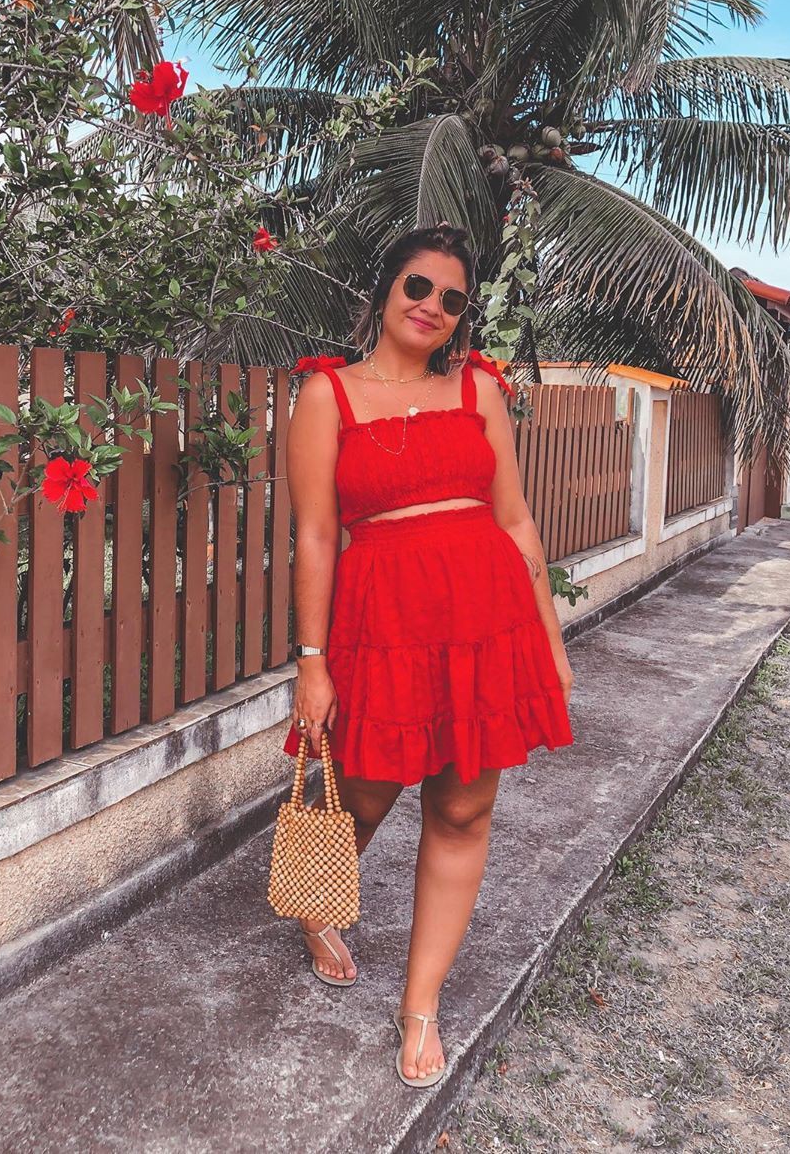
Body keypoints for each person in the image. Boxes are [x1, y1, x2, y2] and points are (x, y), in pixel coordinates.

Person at [281, 223, 575, 1087]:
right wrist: (311, 661)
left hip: (489, 632)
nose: (432, 308)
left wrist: (551, 648)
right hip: (384, 633)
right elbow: (314, 535)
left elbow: (517, 522)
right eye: (418, 287)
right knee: (362, 797)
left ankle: (421, 1007)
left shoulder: (478, 390)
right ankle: (315, 903)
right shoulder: (327, 396)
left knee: (461, 812)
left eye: (451, 298)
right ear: (384, 291)